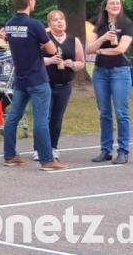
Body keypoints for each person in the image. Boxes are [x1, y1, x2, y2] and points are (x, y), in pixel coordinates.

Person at [2, 0, 65, 171]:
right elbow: (52, 50)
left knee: (13, 116)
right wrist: (41, 43)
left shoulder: (10, 24)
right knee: (41, 119)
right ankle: (47, 159)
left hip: (20, 77)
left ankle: (10, 155)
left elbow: (18, 45)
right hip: (37, 77)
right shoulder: (35, 25)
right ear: (30, 2)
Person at [86, 0, 133, 165]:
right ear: (105, 6)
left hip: (119, 71)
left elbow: (121, 49)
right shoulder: (99, 26)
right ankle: (105, 150)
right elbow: (89, 49)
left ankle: (123, 150)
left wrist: (101, 51)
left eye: (117, 3)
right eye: (111, 3)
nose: (115, 5)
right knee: (104, 113)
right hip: (101, 72)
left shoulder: (126, 24)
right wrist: (103, 38)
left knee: (121, 112)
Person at [31, 10, 85, 162]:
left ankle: (53, 147)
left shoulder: (73, 40)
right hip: (45, 83)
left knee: (57, 117)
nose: (59, 22)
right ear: (49, 24)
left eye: (61, 19)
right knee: (43, 117)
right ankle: (39, 148)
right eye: (55, 20)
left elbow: (81, 62)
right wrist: (50, 61)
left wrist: (72, 64)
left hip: (64, 84)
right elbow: (34, 60)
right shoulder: (44, 40)